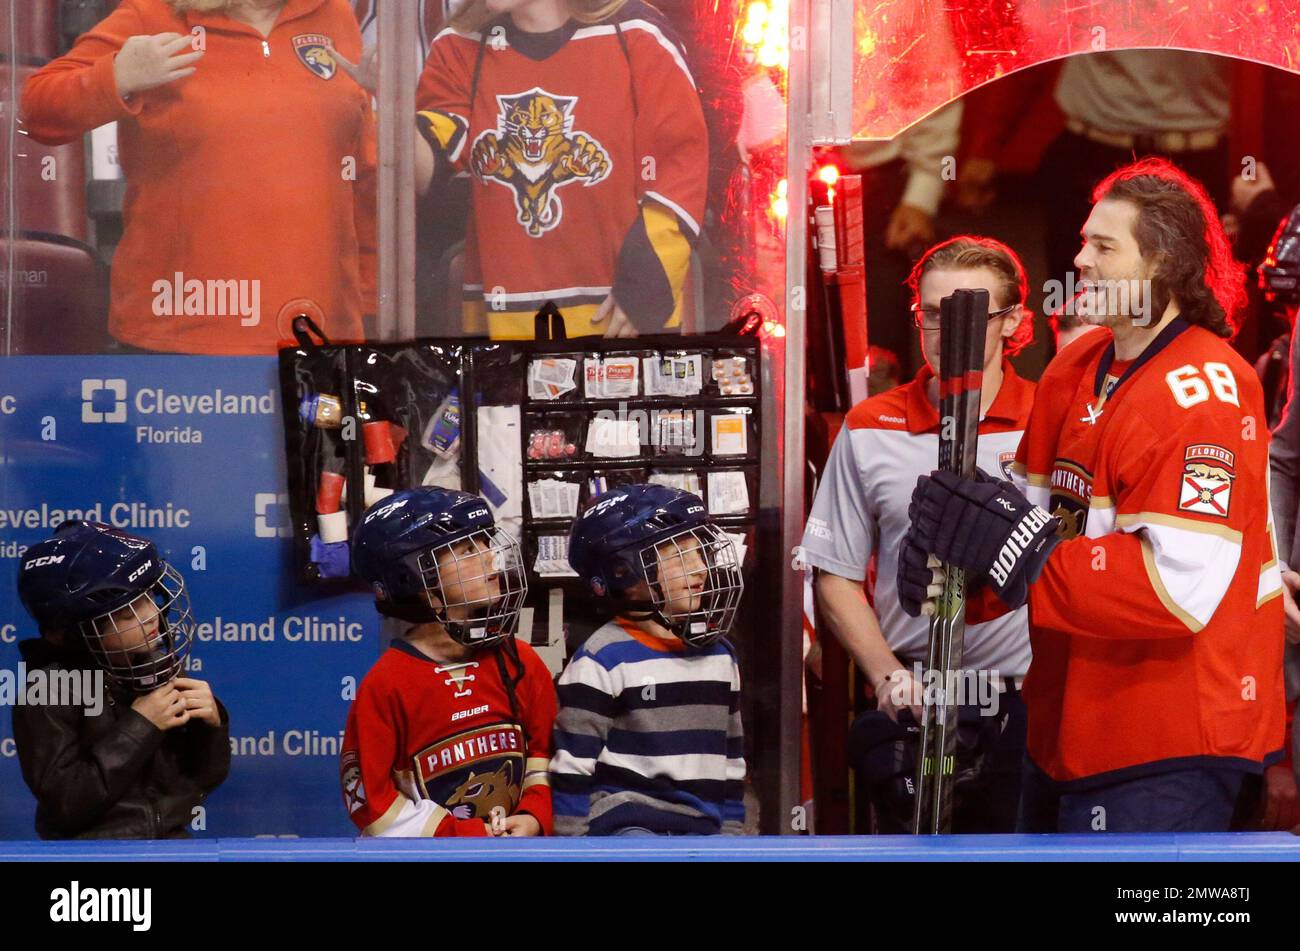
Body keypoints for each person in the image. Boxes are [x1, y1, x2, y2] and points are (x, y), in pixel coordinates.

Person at [900, 157, 1286, 833]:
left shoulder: (1210, 391)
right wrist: (957, 568)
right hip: (1062, 730)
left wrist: (1018, 549)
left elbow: (1175, 589)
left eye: (1104, 246)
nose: (1079, 258)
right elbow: (1027, 528)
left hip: (1171, 744)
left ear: (1162, 261)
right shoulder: (1075, 367)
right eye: (1083, 240)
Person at [800, 235, 1036, 833]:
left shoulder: (1051, 419)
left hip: (1024, 697)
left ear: (1012, 323)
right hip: (914, 696)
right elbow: (835, 573)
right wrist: (887, 677)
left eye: (970, 313)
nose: (945, 328)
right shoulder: (870, 426)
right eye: (931, 313)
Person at [21, 0, 377, 354]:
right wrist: (117, 76)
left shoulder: (334, 15)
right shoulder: (153, 15)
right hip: (184, 331)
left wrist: (372, 304)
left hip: (321, 332)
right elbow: (37, 108)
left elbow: (362, 171)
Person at [413, 0, 708, 339]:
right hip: (506, 331)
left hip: (620, 320)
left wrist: (644, 286)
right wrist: (389, 103)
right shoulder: (459, 45)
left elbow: (680, 168)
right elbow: (431, 171)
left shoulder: (638, 33)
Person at [340, 487, 556, 836]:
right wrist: (464, 837)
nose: (491, 558)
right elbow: (371, 805)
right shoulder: (388, 685)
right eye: (468, 549)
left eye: (485, 543)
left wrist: (534, 813)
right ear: (412, 577)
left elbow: (543, 756)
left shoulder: (521, 662)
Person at [13, 522, 229, 839]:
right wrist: (142, 725)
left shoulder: (151, 666)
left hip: (172, 846)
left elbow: (200, 781)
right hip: (92, 853)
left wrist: (210, 728)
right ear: (73, 633)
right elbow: (66, 802)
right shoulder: (49, 690)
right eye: (127, 613)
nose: (151, 615)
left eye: (149, 598)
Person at [551, 484, 745, 834]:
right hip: (627, 826)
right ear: (622, 572)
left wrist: (733, 833)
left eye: (700, 552)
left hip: (703, 828)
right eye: (680, 556)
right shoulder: (602, 660)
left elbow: (731, 759)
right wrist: (573, 848)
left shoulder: (721, 656)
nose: (700, 569)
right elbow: (572, 767)